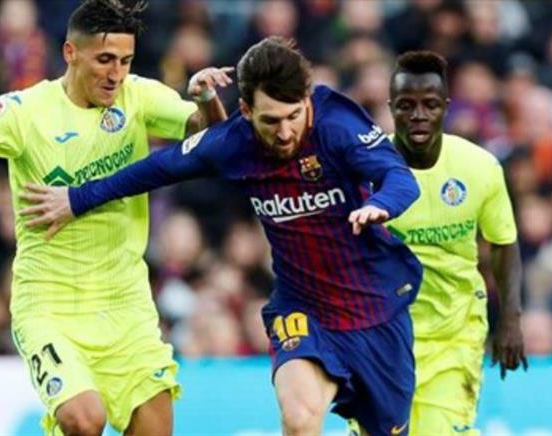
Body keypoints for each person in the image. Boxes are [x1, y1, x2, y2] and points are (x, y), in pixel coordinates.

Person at [21, 37, 424, 436]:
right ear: (246, 111)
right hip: (304, 308)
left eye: (293, 116)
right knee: (300, 419)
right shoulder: (235, 141)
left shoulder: (338, 125)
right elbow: (158, 168)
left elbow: (399, 178)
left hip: (375, 309)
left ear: (306, 100)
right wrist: (77, 198)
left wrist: (381, 204)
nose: (285, 132)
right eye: (271, 121)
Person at [0, 0, 233, 434]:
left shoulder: (138, 96)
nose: (116, 73)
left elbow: (213, 141)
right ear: (71, 52)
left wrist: (206, 98)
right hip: (50, 304)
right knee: (83, 418)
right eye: (104, 59)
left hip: (125, 302)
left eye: (125, 61)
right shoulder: (24, 112)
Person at [385, 51, 528, 435]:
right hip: (382, 334)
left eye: (430, 105)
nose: (418, 115)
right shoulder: (363, 169)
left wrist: (510, 319)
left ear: (446, 108)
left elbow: (504, 243)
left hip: (455, 330)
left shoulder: (479, 167)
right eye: (406, 105)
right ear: (390, 108)